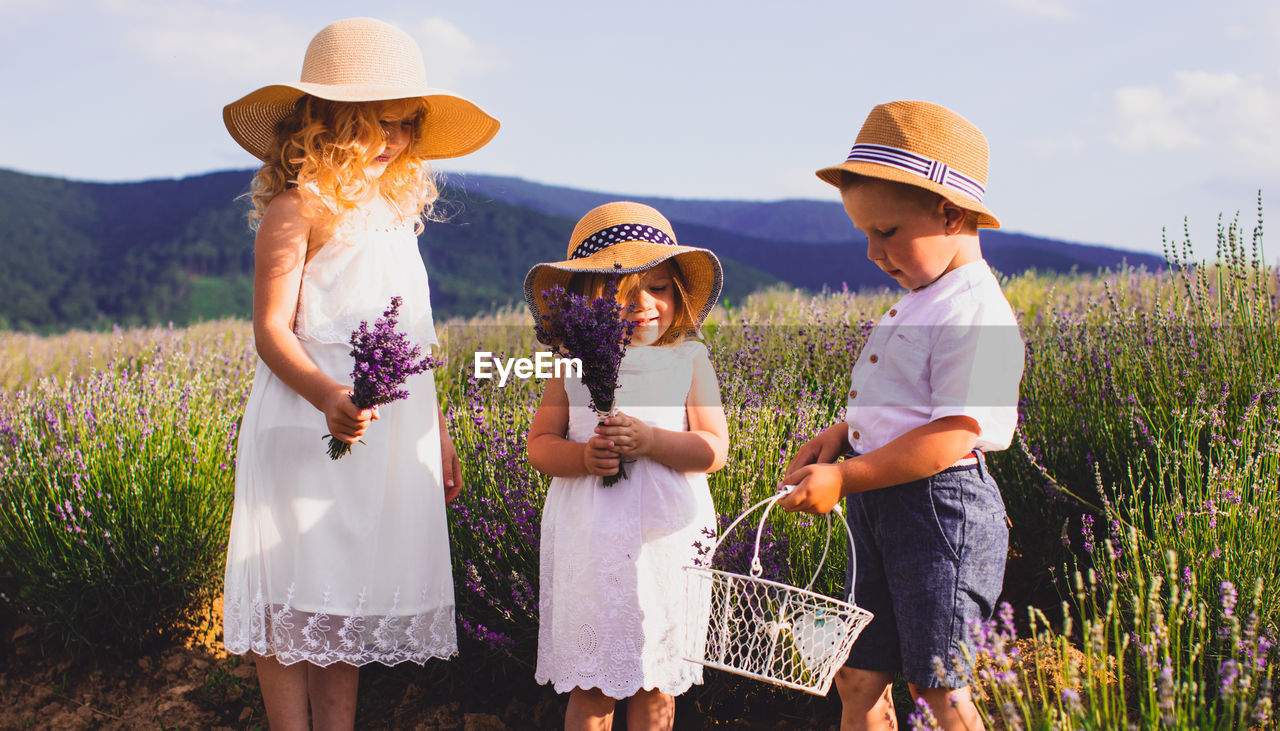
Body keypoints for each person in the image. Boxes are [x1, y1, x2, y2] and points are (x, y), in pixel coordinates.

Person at [219, 17, 499, 729]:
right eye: (377, 122)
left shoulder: (396, 217)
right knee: (293, 588)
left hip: (381, 426)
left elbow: (415, 342)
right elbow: (271, 330)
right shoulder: (296, 209)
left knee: (340, 589)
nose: (393, 139)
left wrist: (437, 435)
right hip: (304, 417)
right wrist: (327, 395)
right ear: (327, 122)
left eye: (405, 125)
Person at [778, 101, 1025, 730]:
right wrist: (839, 437)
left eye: (885, 232)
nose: (871, 252)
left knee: (938, 683)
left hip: (940, 512)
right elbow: (902, 409)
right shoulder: (920, 301)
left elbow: (948, 438)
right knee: (857, 674)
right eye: (864, 234)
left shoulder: (977, 312)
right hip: (881, 503)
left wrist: (844, 478)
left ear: (951, 213)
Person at [524, 202, 729, 731]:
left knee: (657, 676)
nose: (643, 304)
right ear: (584, 300)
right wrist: (584, 457)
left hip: (666, 538)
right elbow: (541, 444)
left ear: (678, 295)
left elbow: (713, 450)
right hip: (591, 539)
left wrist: (653, 441)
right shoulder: (570, 359)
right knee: (592, 684)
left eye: (659, 288)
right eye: (620, 292)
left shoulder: (688, 359)